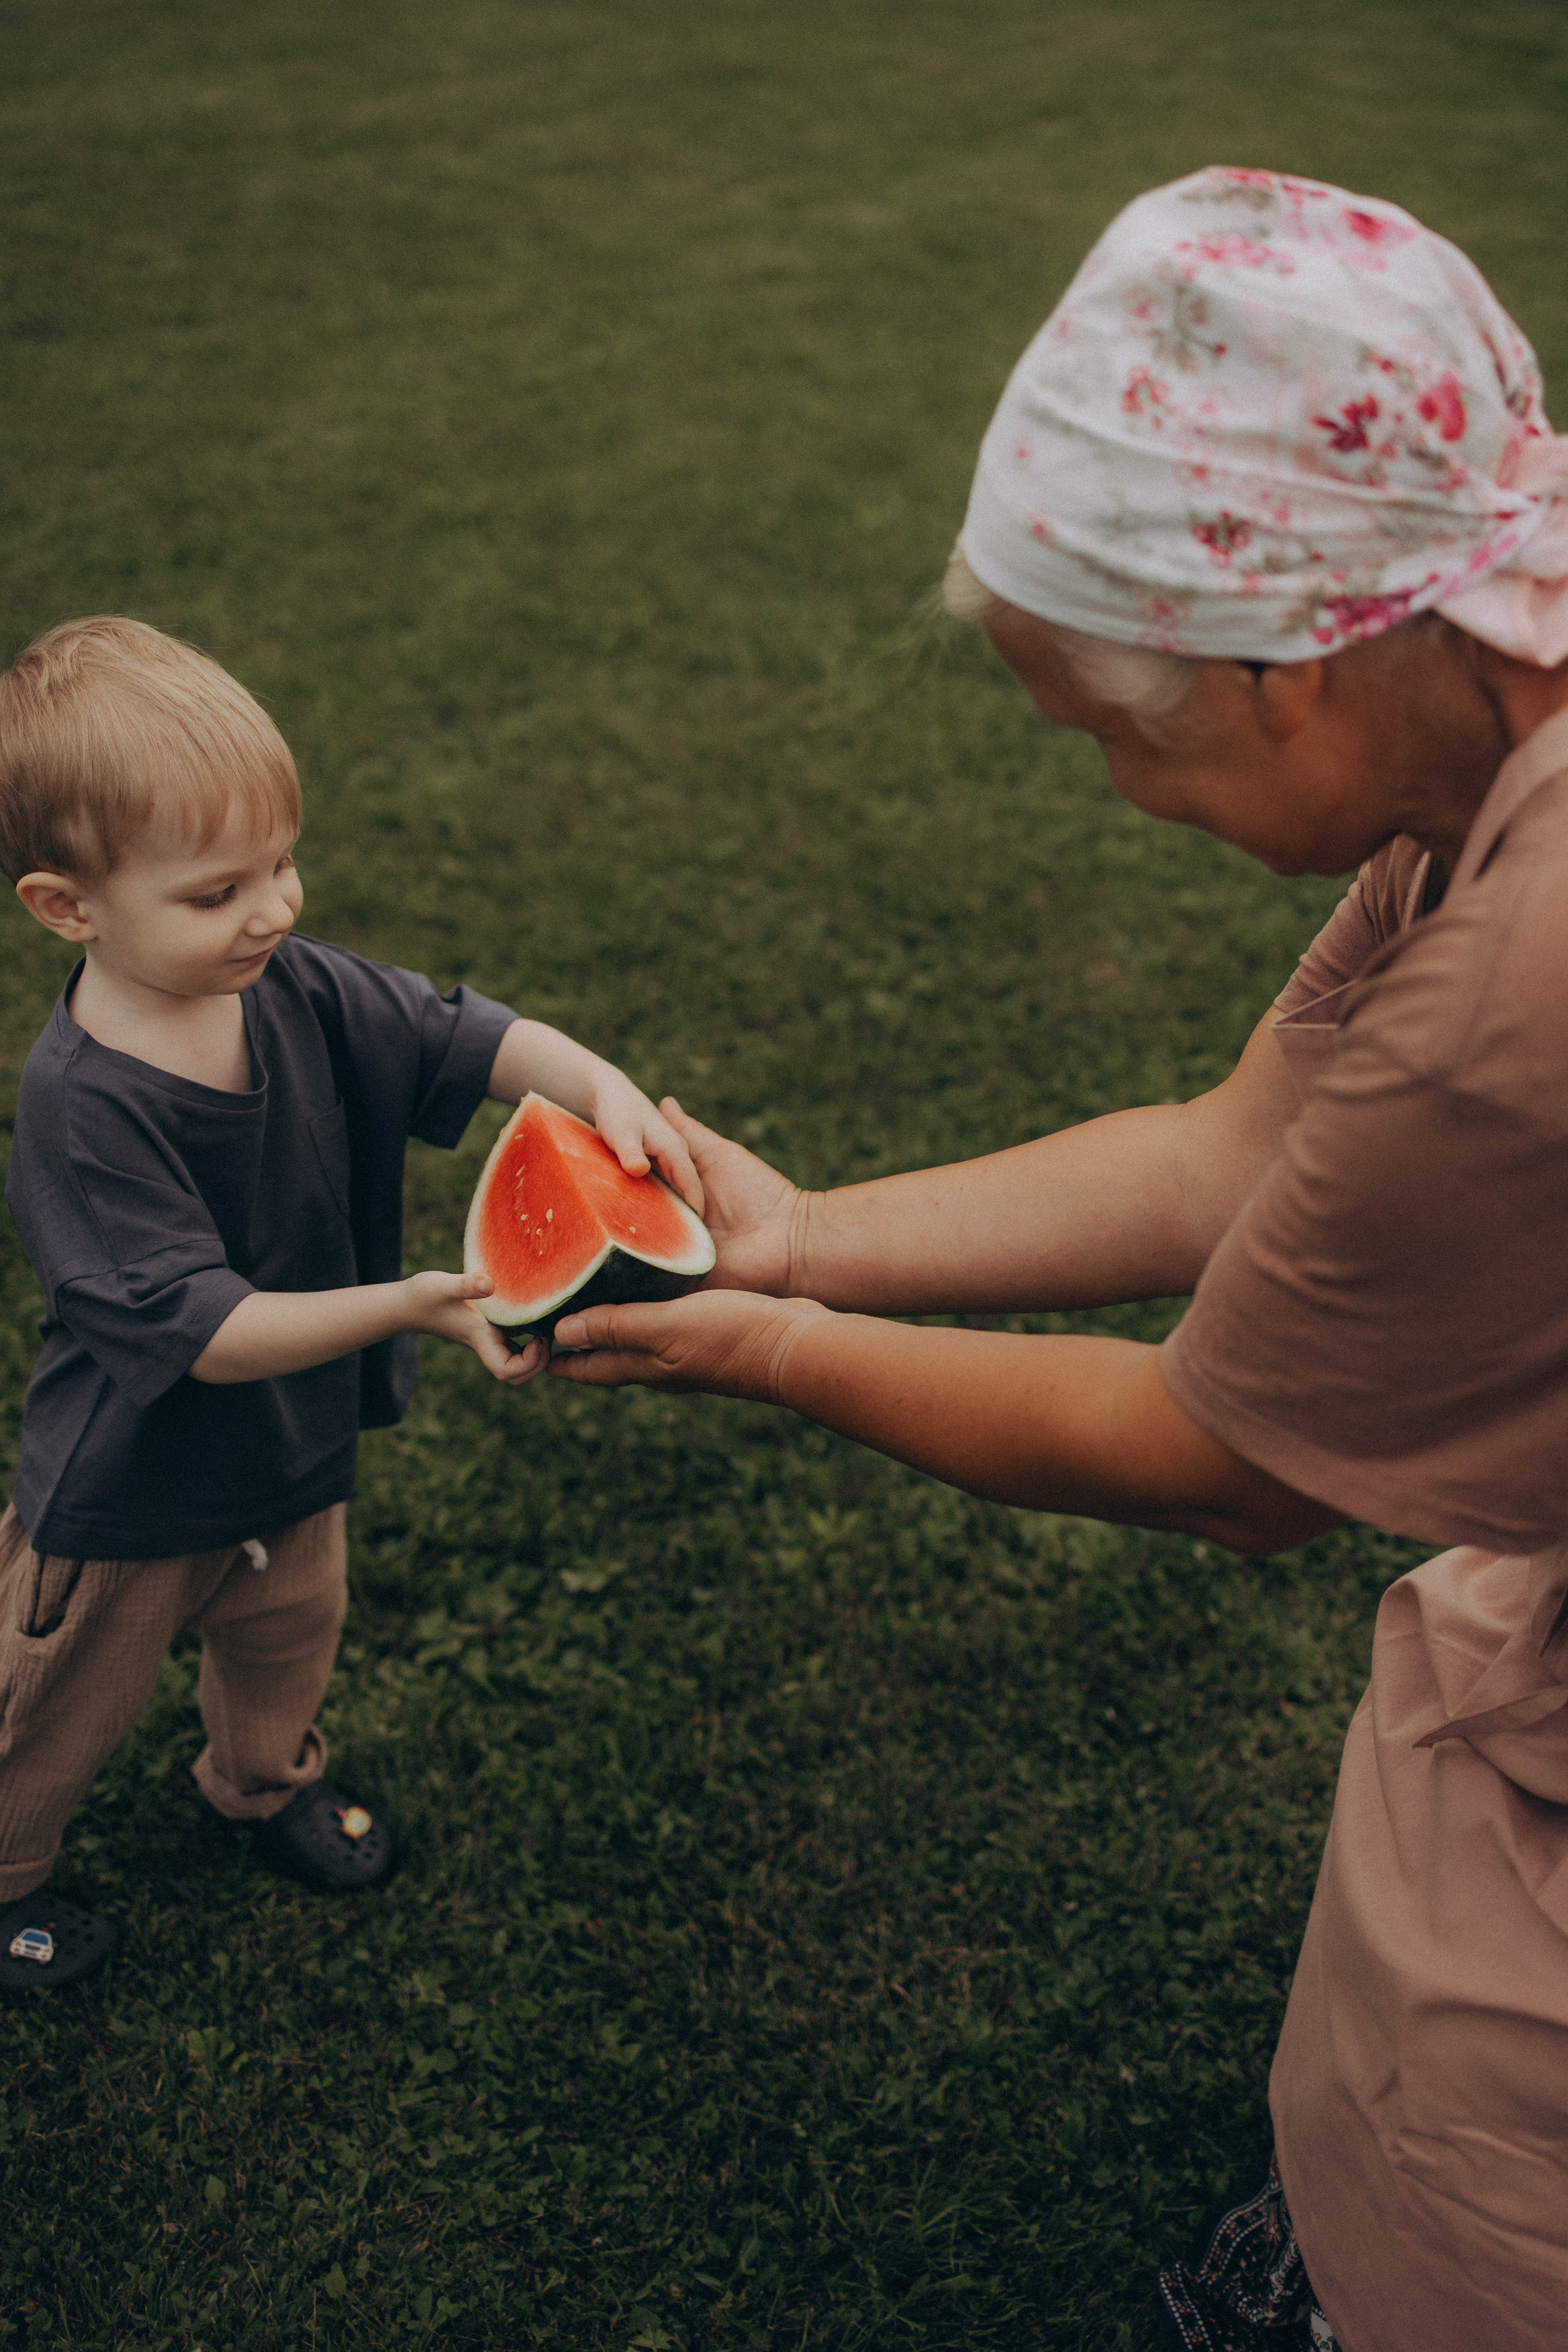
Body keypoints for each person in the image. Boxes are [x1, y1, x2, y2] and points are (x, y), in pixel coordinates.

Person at [535, 171, 1568, 2352]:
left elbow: (1224, 1458)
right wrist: (807, 1233)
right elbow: (1236, 1153)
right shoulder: (1495, 695)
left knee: (1504, 2048)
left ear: (1293, 666)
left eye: (1115, 728)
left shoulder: (1516, 996)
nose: (1112, 786)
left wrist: (766, 1345)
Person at [0, 616, 695, 1992]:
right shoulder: (83, 1110)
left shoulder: (293, 988)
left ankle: (260, 1785)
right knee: (50, 1710)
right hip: (129, 1488)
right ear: (67, 908)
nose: (275, 910)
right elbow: (203, 1335)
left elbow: (455, 1033)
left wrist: (593, 1082)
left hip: (288, 1455)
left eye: (282, 865)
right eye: (217, 892)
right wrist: (420, 1303)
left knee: (287, 1641)